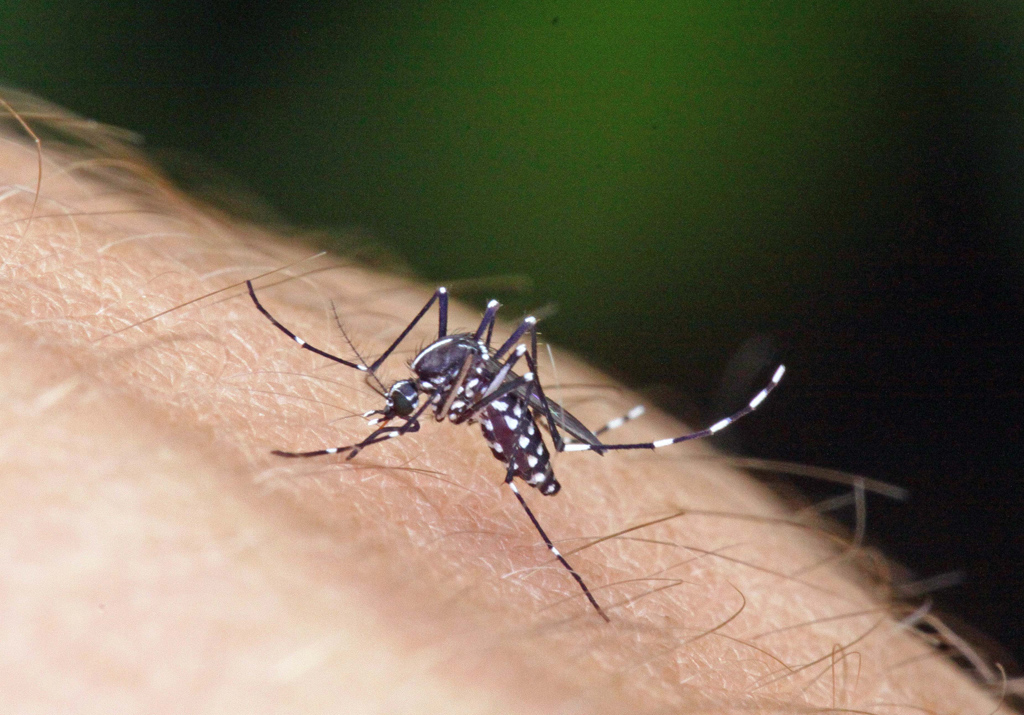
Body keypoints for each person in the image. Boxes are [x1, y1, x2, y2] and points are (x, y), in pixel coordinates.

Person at [0, 93, 1003, 714]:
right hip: (472, 375)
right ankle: (596, 448)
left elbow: (463, 365)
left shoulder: (455, 385)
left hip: (487, 387)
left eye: (398, 404)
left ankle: (597, 470)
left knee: (494, 353)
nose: (397, 410)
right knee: (472, 339)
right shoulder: (434, 377)